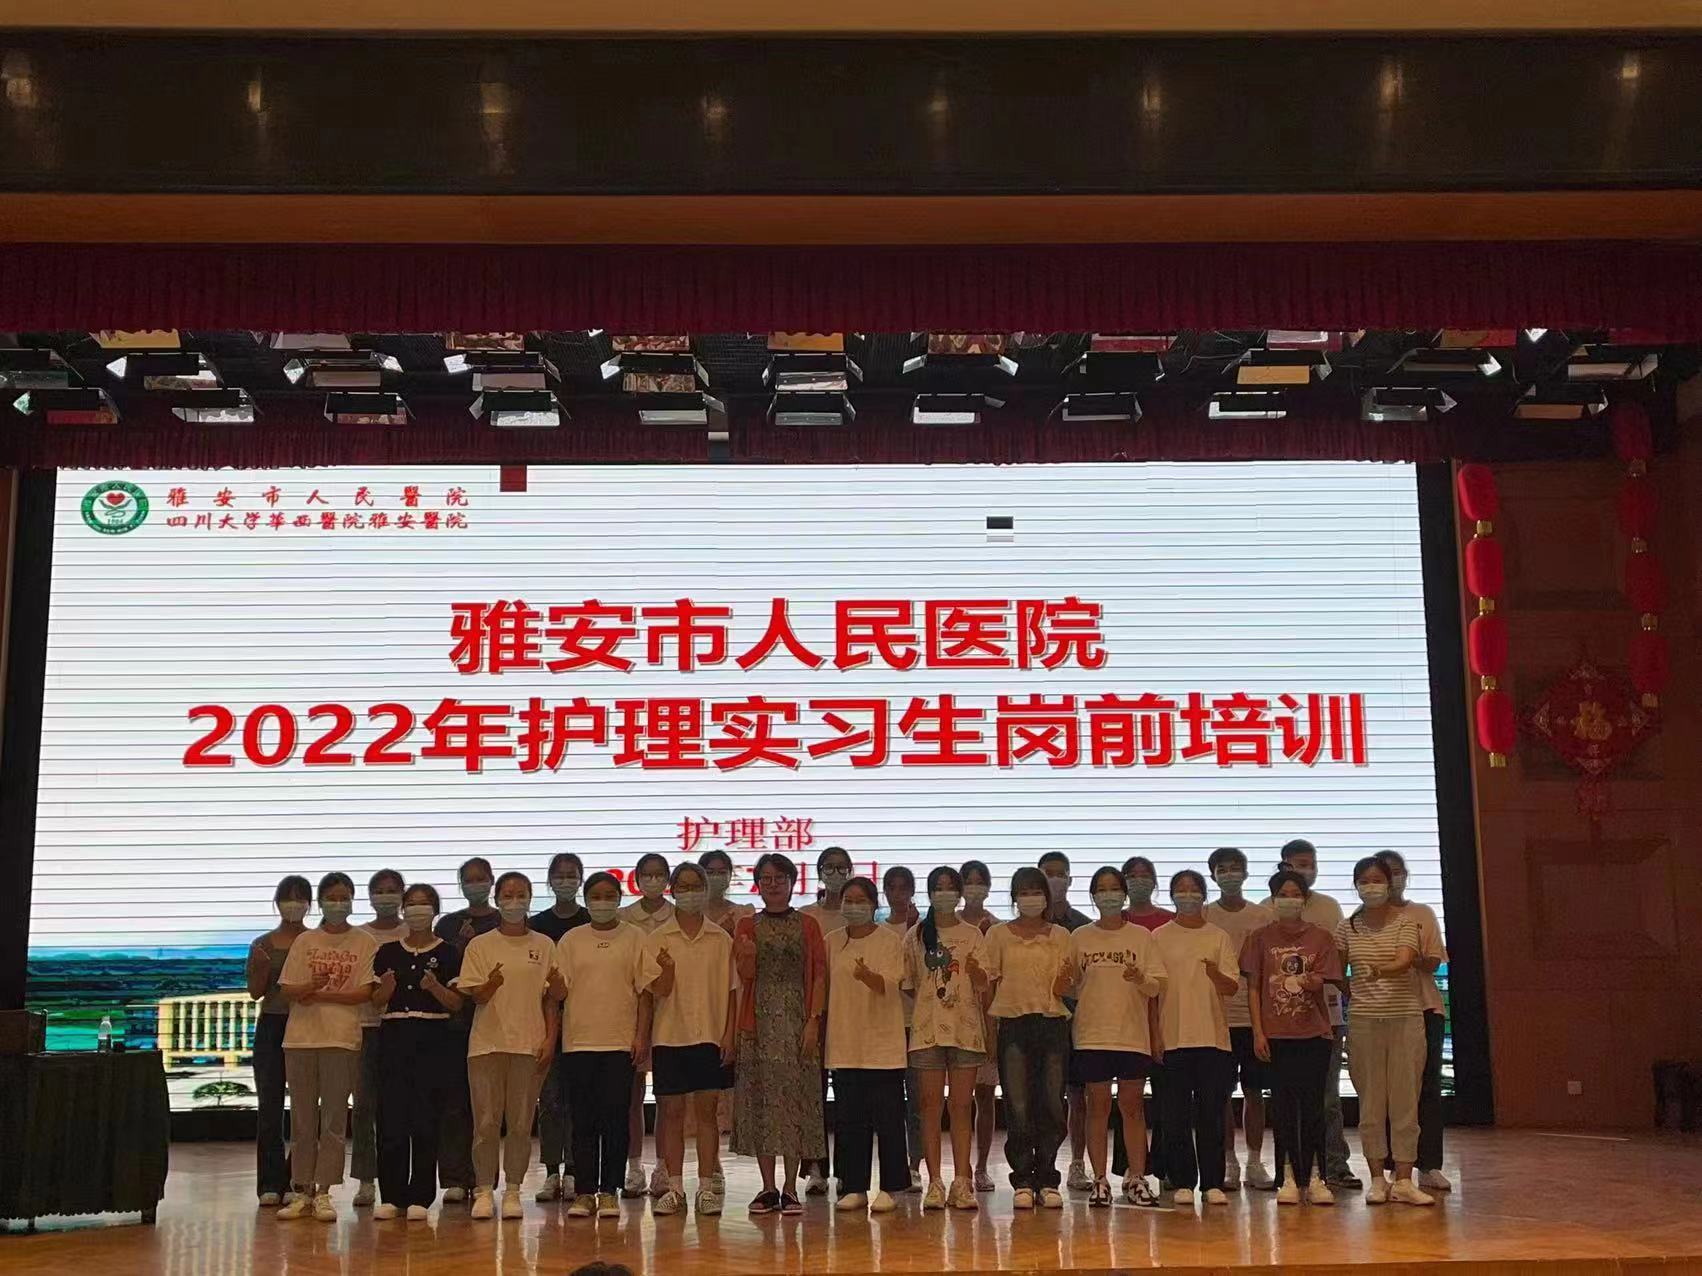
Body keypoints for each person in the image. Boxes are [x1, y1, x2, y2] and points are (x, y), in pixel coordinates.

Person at [458, 871, 563, 1221]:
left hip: (529, 1044)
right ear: (497, 899)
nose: (514, 901)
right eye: (508, 895)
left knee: (520, 1123)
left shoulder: (544, 945)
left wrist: (550, 1038)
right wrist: (491, 984)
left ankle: (514, 1189)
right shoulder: (480, 945)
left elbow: (553, 997)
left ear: (530, 899)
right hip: (486, 1045)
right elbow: (475, 995)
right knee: (486, 1122)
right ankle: (484, 1189)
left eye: (521, 895)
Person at [276, 872, 379, 1222]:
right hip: (300, 1040)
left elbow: (364, 992)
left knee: (334, 1121)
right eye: (331, 898)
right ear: (320, 903)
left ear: (352, 900)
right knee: (302, 1120)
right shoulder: (305, 941)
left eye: (343, 897)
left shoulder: (364, 941)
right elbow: (287, 989)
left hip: (342, 1039)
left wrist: (317, 994)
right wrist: (309, 986)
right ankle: (301, 1190)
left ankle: (324, 1192)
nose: (338, 904)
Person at [557, 873, 659, 1221]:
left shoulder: (635, 937)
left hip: (620, 1043)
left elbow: (645, 993)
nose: (602, 901)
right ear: (586, 900)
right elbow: (559, 991)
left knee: (616, 1119)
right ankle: (584, 1192)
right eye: (595, 896)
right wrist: (550, 983)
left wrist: (641, 1036)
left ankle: (609, 1191)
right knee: (583, 1120)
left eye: (608, 895)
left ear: (618, 898)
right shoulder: (571, 940)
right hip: (579, 1042)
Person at [732, 853, 828, 1215]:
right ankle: (768, 1187)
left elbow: (819, 974)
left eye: (780, 878)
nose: (773, 885)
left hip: (797, 1023)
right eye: (766, 879)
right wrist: (746, 955)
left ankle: (790, 1187)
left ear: (792, 883)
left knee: (795, 1103)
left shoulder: (808, 925)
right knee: (762, 1103)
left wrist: (813, 1020)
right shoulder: (746, 925)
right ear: (758, 884)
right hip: (757, 1025)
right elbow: (744, 976)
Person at [1334, 857, 1432, 1206]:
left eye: (1376, 880)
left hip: (1405, 1019)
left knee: (1405, 1101)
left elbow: (1405, 960)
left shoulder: (1406, 923)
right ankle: (1377, 1178)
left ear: (1389, 884)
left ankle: (1404, 1179)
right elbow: (1337, 971)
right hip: (1364, 1023)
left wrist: (1381, 971)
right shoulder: (1346, 927)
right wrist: (1356, 990)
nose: (1370, 886)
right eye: (1363, 881)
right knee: (1371, 1103)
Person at [1068, 866, 1167, 1208]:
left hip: (1131, 1035)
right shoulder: (1079, 937)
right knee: (1097, 1108)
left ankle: (1136, 1178)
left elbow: (1155, 987)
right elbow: (1069, 985)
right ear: (1093, 896)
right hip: (1091, 1035)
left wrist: (1140, 977)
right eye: (1101, 889)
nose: (1108, 894)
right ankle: (1099, 1180)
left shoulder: (1141, 937)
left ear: (1124, 894)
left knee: (1133, 1108)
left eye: (1114, 888)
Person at [1243, 869, 1342, 1207]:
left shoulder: (1321, 937)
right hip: (1276, 1036)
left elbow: (1328, 981)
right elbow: (1253, 988)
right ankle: (1286, 1176)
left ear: (1305, 898)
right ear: (1273, 900)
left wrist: (1314, 982)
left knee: (1314, 1108)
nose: (1289, 900)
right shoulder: (1259, 938)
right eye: (1282, 894)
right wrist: (1258, 1032)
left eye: (1295, 894)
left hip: (1315, 1034)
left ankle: (1316, 1177)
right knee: (1283, 1108)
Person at [645, 861, 738, 1218]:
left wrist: (728, 1034)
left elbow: (732, 990)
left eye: (695, 885)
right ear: (672, 891)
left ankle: (706, 1188)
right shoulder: (658, 939)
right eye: (682, 887)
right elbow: (657, 991)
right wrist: (667, 971)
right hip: (669, 1036)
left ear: (705, 889)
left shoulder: (721, 939)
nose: (689, 892)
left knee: (707, 1115)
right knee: (671, 1114)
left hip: (710, 1036)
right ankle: (675, 1189)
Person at [370, 883, 464, 1220]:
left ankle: (420, 1197)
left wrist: (434, 987)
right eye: (411, 903)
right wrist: (386, 989)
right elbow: (375, 1000)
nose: (417, 909)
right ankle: (391, 1195)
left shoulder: (449, 952)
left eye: (424, 904)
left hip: (433, 1037)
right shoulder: (387, 952)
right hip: (394, 1036)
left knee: (427, 1117)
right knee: (391, 1117)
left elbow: (456, 1003)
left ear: (435, 910)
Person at [1271, 838, 1358, 1190]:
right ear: (1284, 866)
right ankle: (1293, 1168)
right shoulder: (1267, 909)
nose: (1306, 870)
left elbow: (1339, 961)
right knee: (1288, 1098)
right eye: (1299, 864)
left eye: (1311, 863)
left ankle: (1334, 1164)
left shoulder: (1329, 907)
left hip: (1326, 1017)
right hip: (1282, 1021)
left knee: (1327, 1096)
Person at [1151, 870, 1240, 1208]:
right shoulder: (1159, 936)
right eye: (1180, 889)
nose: (1187, 895)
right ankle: (1183, 1180)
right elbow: (1152, 992)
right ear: (1171, 895)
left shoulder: (1218, 936)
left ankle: (1212, 1182)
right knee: (1174, 1115)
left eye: (1193, 889)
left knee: (1212, 1114)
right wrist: (1154, 1036)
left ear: (1204, 894)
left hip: (1213, 1039)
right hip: (1172, 1037)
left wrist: (1215, 973)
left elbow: (1231, 986)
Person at [984, 866, 1069, 1210]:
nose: (1030, 898)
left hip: (1052, 1025)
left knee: (1052, 1103)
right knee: (1017, 1105)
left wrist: (1066, 981)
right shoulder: (998, 935)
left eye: (1036, 891)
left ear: (1046, 897)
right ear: (1014, 897)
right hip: (1013, 1026)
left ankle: (1047, 1178)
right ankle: (1022, 1179)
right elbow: (989, 987)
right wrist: (989, 1034)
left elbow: (1067, 983)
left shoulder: (1061, 935)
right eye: (1023, 892)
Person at [824, 876, 909, 1214]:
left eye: (861, 900)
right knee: (849, 1121)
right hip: (845, 1042)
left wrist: (866, 976)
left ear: (874, 905)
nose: (854, 906)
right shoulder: (832, 941)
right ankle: (853, 1186)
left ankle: (891, 1186)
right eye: (849, 900)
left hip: (882, 1046)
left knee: (889, 1121)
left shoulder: (889, 940)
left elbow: (890, 983)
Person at [1377, 849, 1451, 1194]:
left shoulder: (1422, 913)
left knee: (1428, 1089)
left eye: (1397, 872)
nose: (1392, 879)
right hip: (1385, 1011)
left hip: (1424, 1009)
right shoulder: (1364, 919)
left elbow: (1433, 961)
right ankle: (1396, 1166)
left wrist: (1406, 958)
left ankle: (1429, 1164)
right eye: (1384, 874)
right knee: (1392, 1091)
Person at [1204, 846, 1275, 1191]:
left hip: (1253, 1019)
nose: (1229, 874)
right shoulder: (1204, 915)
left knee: (1254, 1091)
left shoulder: (1262, 916)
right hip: (1215, 1019)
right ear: (1213, 875)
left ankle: (1255, 1161)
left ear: (1246, 874)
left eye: (1235, 868)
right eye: (1222, 869)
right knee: (1220, 1095)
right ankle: (1228, 1161)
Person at [433, 855, 500, 1203]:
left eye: (481, 878)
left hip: (496, 1023)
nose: (476, 884)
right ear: (461, 885)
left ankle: (483, 1177)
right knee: (454, 1103)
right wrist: (459, 947)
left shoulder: (505, 921)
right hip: (454, 1026)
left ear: (491, 881)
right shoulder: (448, 924)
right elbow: (437, 969)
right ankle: (455, 1178)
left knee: (488, 1108)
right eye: (469, 879)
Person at [247, 874, 311, 1207]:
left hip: (309, 1025)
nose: (294, 904)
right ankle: (270, 1183)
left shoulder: (316, 941)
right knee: (270, 1107)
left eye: (300, 897)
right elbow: (255, 992)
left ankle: (298, 1178)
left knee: (306, 1108)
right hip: (272, 1026)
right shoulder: (262, 944)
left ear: (309, 904)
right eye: (288, 897)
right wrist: (261, 968)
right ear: (277, 902)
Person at [531, 851, 589, 1204]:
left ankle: (576, 1171)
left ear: (580, 880)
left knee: (580, 1099)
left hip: (586, 1023)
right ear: (550, 880)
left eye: (572, 875)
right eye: (560, 875)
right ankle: (552, 1171)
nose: (565, 880)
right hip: (544, 1022)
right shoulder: (537, 925)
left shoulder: (590, 921)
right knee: (550, 1099)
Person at [1111, 855, 1172, 1190]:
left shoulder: (1170, 922)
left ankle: (1165, 1166)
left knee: (1165, 1099)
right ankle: (1130, 1168)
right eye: (1131, 875)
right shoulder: (1113, 923)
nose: (1138, 881)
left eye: (1144, 874)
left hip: (1165, 1019)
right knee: (1128, 1101)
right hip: (1125, 1023)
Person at [797, 845, 853, 1195]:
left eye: (841, 867)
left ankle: (848, 1169)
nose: (835, 873)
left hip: (850, 1013)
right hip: (814, 1013)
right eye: (829, 867)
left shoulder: (859, 914)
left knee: (848, 1094)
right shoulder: (807, 916)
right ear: (818, 872)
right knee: (812, 1092)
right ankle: (815, 1168)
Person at [350, 867, 406, 1209]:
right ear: (370, 897)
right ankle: (366, 1180)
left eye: (392, 890)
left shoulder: (411, 932)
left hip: (401, 1029)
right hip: (364, 1027)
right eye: (379, 890)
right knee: (363, 1107)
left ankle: (396, 1179)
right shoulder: (359, 935)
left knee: (397, 1107)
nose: (386, 896)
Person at [620, 852, 675, 1197]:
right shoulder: (624, 918)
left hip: (671, 1012)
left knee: (667, 1097)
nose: (653, 881)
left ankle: (664, 1168)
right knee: (632, 1096)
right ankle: (634, 1167)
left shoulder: (678, 916)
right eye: (647, 875)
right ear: (637, 878)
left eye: (659, 875)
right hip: (632, 1013)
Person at [1040, 851, 1095, 1192]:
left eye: (1061, 874)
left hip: (1077, 1021)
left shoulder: (1084, 926)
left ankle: (1077, 1163)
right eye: (1048, 873)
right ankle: (1041, 1164)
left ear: (1070, 879)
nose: (1055, 879)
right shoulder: (1025, 926)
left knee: (1078, 1095)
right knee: (1043, 1097)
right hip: (1039, 1021)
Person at [959, 859, 1002, 1193]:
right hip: (953, 1020)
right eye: (968, 881)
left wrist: (991, 1028)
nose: (974, 887)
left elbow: (997, 981)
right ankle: (956, 1169)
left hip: (987, 1019)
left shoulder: (997, 928)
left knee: (985, 1096)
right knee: (957, 1098)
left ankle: (982, 1167)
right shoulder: (948, 924)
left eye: (980, 881)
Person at [882, 864, 924, 1189]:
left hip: (916, 1024)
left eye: (903, 888)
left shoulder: (925, 929)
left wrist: (913, 933)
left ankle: (915, 1165)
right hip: (885, 1026)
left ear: (912, 891)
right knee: (889, 1102)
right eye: (891, 888)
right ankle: (893, 1167)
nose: (898, 894)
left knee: (918, 1100)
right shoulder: (877, 930)